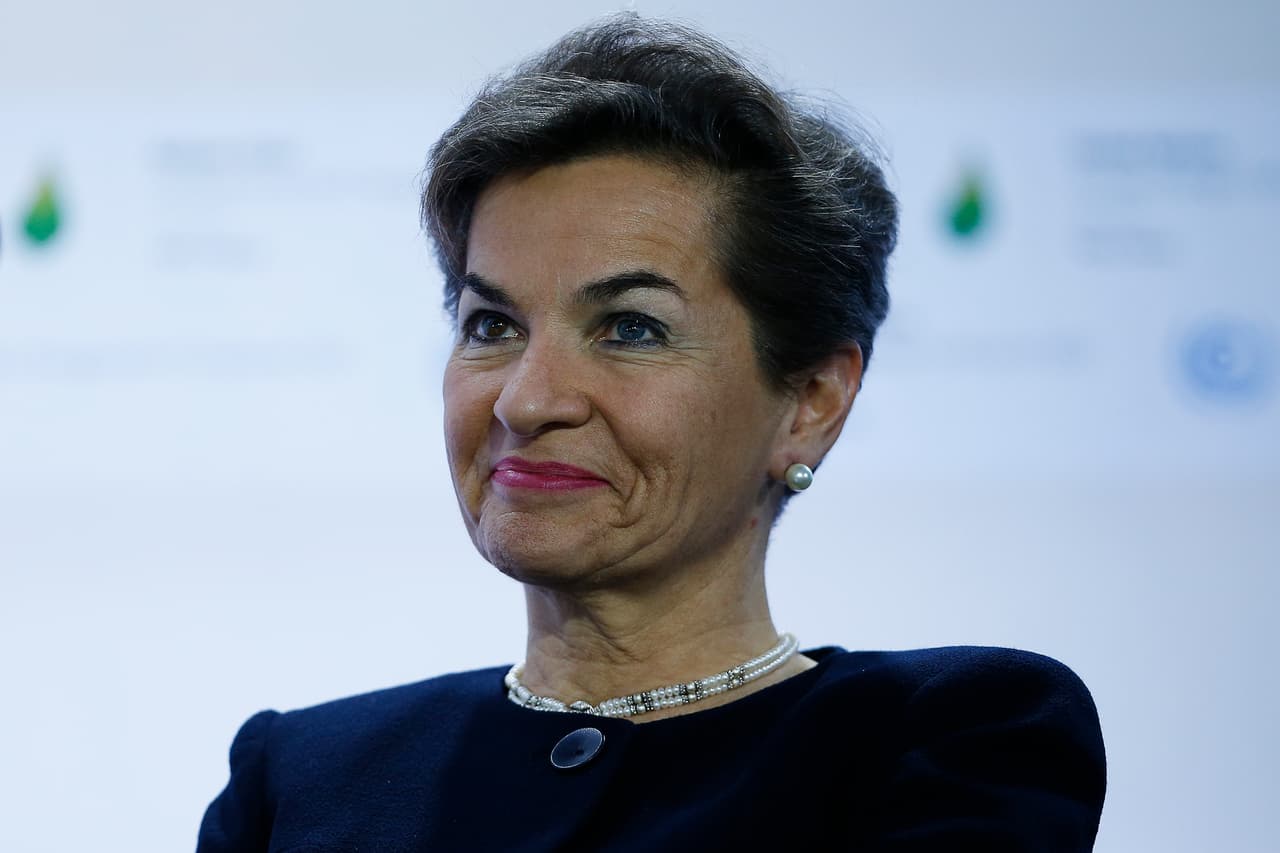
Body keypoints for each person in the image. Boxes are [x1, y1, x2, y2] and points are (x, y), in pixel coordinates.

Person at [198, 14, 1106, 851]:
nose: (526, 399)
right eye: (492, 325)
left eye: (630, 327)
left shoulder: (946, 739)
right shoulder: (301, 777)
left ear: (811, 401)